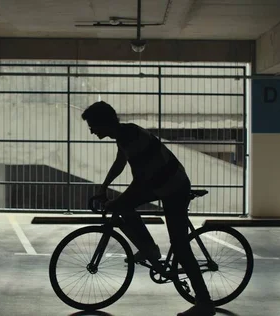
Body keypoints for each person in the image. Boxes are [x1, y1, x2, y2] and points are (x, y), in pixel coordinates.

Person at [82, 101, 215, 316]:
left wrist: (118, 200)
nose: (91, 131)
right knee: (124, 205)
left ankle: (205, 304)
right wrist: (104, 187)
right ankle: (149, 249)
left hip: (174, 188)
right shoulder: (124, 134)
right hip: (159, 184)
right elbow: (120, 163)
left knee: (180, 247)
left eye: (92, 126)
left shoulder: (132, 137)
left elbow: (141, 181)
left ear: (103, 123)